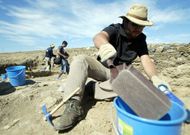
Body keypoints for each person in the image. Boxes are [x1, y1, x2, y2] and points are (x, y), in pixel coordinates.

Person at [53, 4, 172, 131]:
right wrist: (104, 45)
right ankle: (73, 105)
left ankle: (90, 88)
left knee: (135, 85)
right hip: (102, 68)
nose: (138, 29)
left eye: (141, 26)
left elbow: (145, 58)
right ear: (125, 21)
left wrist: (155, 78)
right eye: (134, 25)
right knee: (80, 60)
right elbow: (99, 37)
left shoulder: (141, 39)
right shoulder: (115, 29)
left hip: (121, 73)